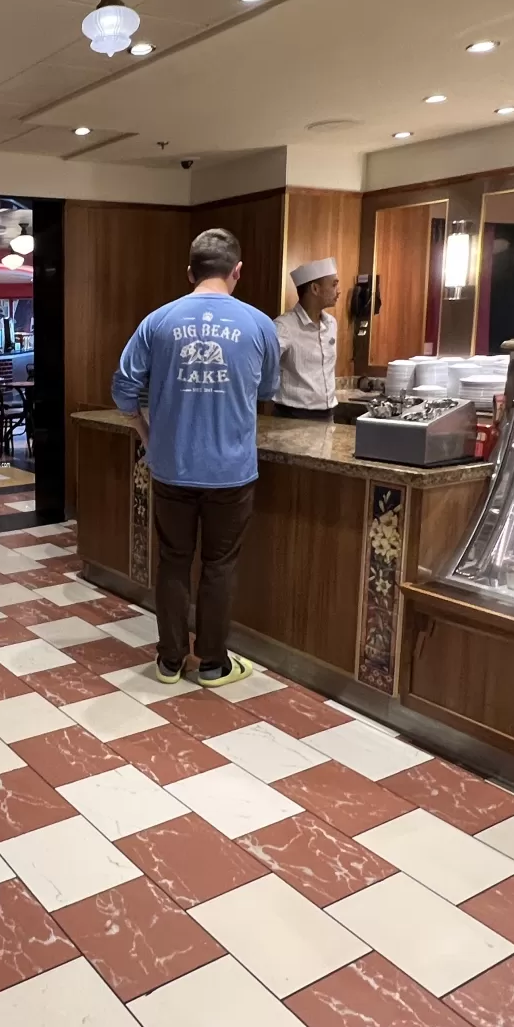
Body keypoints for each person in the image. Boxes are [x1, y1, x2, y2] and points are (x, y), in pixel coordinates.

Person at [112, 228, 280, 687]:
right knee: (219, 565)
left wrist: (145, 432)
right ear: (237, 271)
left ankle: (169, 661)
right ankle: (212, 664)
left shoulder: (158, 321)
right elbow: (268, 389)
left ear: (190, 272)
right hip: (232, 471)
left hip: (172, 467)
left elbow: (123, 388)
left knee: (173, 559)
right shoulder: (260, 324)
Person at [271, 257, 340, 419]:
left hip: (327, 413)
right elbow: (263, 366)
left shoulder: (331, 323)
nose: (338, 291)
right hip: (293, 415)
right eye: (334, 284)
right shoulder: (284, 326)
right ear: (315, 288)